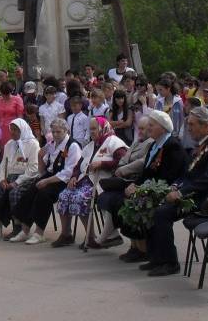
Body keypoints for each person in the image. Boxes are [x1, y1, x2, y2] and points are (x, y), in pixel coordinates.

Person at [143, 107, 208, 276]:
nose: (188, 128)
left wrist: (181, 193)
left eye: (192, 124)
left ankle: (170, 262)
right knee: (151, 203)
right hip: (194, 193)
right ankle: (157, 257)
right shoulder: (203, 144)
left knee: (162, 213)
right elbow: (188, 174)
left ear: (205, 125)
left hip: (205, 199)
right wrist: (176, 186)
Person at [115, 110, 189, 263]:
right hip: (151, 186)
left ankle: (147, 251)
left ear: (162, 128)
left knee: (138, 203)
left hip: (167, 189)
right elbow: (146, 171)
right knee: (121, 200)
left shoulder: (172, 146)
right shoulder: (155, 144)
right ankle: (137, 247)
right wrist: (135, 185)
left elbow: (168, 177)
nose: (148, 128)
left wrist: (141, 189)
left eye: (151, 125)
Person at [54, 117, 128, 248]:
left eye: (94, 128)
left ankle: (90, 237)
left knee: (79, 198)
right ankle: (66, 235)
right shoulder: (90, 145)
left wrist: (103, 164)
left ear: (102, 128)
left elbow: (123, 162)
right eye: (90, 129)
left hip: (102, 182)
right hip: (85, 180)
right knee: (63, 196)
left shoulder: (114, 142)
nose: (91, 132)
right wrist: (74, 177)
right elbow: (78, 165)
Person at [11, 119, 82, 245]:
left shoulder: (73, 146)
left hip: (65, 180)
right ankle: (25, 229)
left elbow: (68, 172)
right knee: (30, 191)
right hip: (51, 175)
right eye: (53, 132)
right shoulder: (52, 143)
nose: (55, 134)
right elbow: (44, 169)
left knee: (44, 194)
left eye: (58, 132)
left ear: (66, 131)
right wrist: (39, 157)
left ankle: (39, 232)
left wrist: (47, 181)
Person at [91, 117, 154, 249]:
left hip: (136, 179)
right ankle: (121, 240)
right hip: (124, 179)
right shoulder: (137, 142)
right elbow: (124, 158)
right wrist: (121, 168)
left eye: (142, 129)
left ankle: (138, 247)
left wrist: (123, 169)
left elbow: (143, 161)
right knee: (105, 197)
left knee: (120, 201)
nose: (140, 131)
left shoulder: (151, 143)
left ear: (150, 129)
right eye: (139, 128)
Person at [0, 118, 40, 239]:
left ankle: (18, 226)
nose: (13, 132)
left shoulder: (33, 144)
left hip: (26, 178)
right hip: (9, 176)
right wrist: (2, 179)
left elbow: (34, 169)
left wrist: (17, 182)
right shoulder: (9, 144)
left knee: (14, 193)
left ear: (23, 130)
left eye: (16, 130)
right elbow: (3, 164)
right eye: (11, 130)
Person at [0, 81, 25, 148]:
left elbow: (20, 116)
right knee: (2, 149)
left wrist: (19, 130)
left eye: (7, 94)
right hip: (0, 129)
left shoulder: (17, 100)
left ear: (10, 92)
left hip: (13, 128)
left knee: (13, 148)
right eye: (3, 94)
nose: (5, 96)